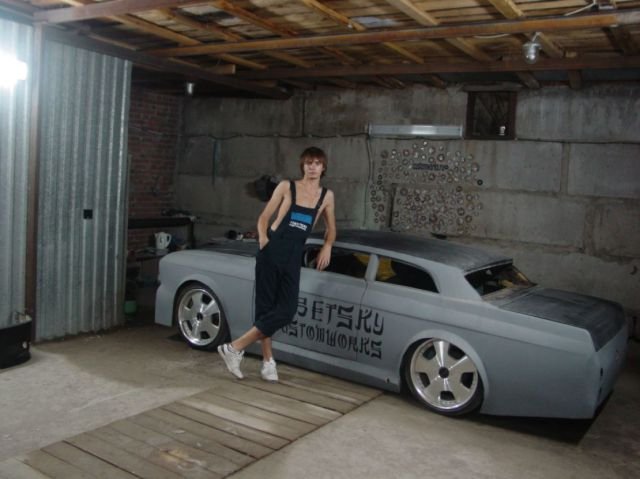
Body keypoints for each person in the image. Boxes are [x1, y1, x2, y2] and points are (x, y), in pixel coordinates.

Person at [218, 147, 336, 381]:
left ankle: (234, 347)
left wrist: (328, 245)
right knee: (266, 308)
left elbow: (331, 228)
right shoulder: (286, 187)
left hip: (294, 255)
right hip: (273, 248)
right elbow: (264, 217)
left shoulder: (326, 196)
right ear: (302, 166)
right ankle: (268, 362)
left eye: (317, 163)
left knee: (287, 310)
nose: (312, 167)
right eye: (308, 163)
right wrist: (263, 240)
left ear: (323, 167)